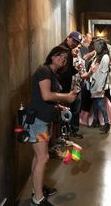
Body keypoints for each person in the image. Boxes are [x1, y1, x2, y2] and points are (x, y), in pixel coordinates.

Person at [27, 46, 77, 206]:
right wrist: (67, 98)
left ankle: (37, 189)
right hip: (37, 122)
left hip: (43, 121)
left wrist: (59, 106)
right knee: (43, 157)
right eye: (60, 55)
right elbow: (46, 95)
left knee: (38, 157)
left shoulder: (52, 73)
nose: (63, 59)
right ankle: (38, 199)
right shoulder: (44, 70)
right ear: (52, 56)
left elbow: (47, 99)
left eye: (66, 57)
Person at [58, 31, 84, 139]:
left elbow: (67, 71)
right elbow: (60, 70)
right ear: (68, 38)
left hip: (67, 87)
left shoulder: (67, 50)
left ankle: (67, 133)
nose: (75, 44)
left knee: (69, 111)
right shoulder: (62, 50)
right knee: (63, 112)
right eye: (73, 40)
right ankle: (63, 135)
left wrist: (75, 69)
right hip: (61, 87)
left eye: (77, 43)